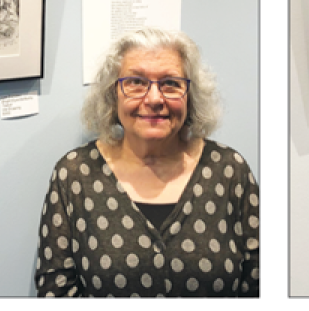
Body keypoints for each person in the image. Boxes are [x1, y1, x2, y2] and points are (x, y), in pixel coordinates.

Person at [34, 27, 259, 297]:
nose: (154, 99)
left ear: (190, 97)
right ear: (112, 94)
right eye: (136, 82)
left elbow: (258, 283)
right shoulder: (74, 175)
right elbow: (55, 290)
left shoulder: (229, 170)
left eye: (171, 84)